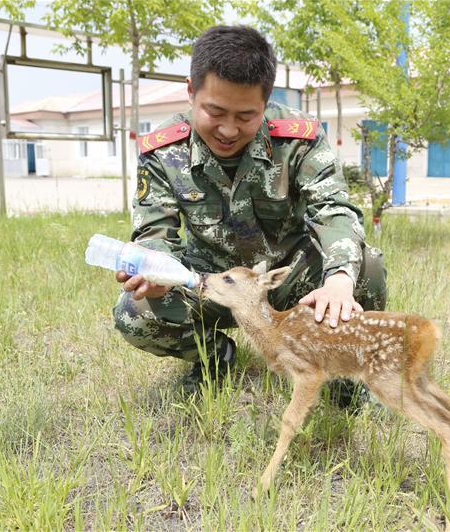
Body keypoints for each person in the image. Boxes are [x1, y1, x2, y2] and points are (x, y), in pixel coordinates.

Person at [113, 25, 386, 403]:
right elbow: (155, 232)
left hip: (289, 279)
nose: (228, 129)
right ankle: (214, 358)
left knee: (365, 267)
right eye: (214, 111)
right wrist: (156, 271)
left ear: (266, 101)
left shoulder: (298, 137)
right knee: (136, 310)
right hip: (209, 283)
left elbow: (334, 208)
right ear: (191, 91)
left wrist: (339, 277)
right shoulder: (163, 149)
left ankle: (340, 374)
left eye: (245, 115)